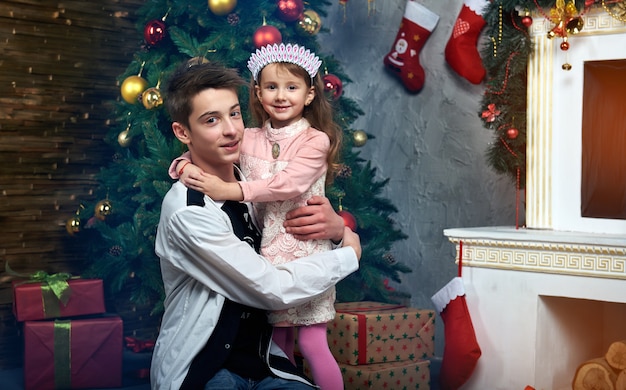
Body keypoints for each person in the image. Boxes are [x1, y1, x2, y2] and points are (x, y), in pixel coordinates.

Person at [151, 60, 361, 390]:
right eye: (211, 120)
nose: (231, 130)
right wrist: (348, 254)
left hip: (264, 361)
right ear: (182, 132)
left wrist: (337, 230)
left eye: (234, 114)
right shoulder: (189, 212)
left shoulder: (250, 178)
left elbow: (284, 196)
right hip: (205, 367)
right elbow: (270, 289)